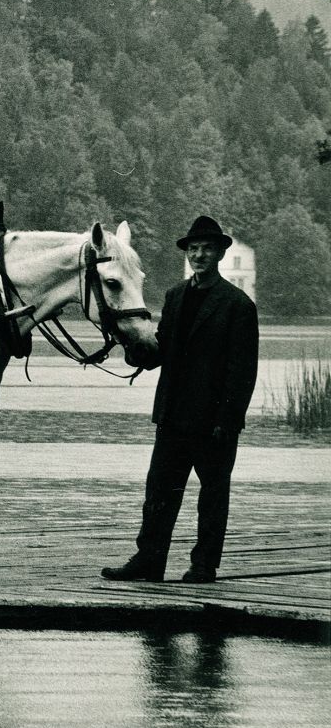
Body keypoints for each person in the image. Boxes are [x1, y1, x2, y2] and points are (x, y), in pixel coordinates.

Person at [103, 215, 260, 585]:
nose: (199, 254)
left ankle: (204, 566)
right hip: (172, 417)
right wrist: (134, 348)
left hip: (214, 423)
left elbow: (243, 372)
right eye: (193, 249)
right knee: (158, 492)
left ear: (221, 253)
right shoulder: (175, 296)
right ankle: (149, 561)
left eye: (207, 248)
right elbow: (163, 350)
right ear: (187, 253)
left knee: (213, 496)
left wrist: (229, 419)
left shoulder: (238, 305)